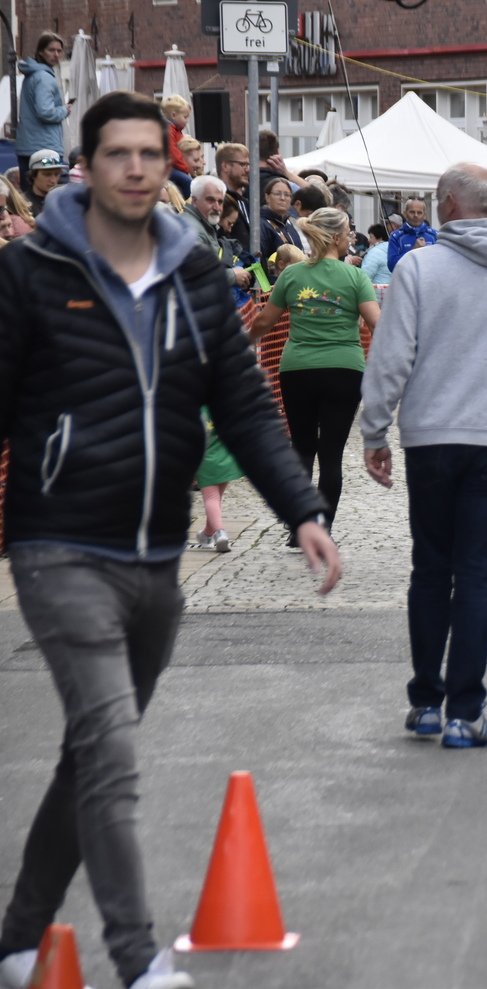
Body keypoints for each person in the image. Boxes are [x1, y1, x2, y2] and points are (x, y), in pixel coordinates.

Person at [0, 89, 338, 989]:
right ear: (88, 165)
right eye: (119, 154)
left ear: (167, 163)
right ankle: (138, 959)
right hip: (59, 544)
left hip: (158, 552)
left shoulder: (193, 274)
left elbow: (243, 407)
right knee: (111, 751)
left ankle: (19, 936)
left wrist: (303, 510)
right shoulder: (33, 274)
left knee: (90, 752)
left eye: (152, 153)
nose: (139, 168)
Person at [361, 162, 487, 747]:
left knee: (431, 568)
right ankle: (465, 711)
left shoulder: (419, 267)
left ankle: (426, 700)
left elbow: (391, 356)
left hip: (431, 436)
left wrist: (376, 431)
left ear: (448, 205)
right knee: (477, 574)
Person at [251, 207, 380, 537]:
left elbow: (264, 322)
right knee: (332, 453)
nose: (352, 237)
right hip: (345, 370)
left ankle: (299, 526)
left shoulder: (292, 275)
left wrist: (240, 344)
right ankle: (321, 529)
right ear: (336, 237)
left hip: (298, 370)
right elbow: (377, 324)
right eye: (349, 231)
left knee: (302, 447)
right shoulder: (355, 277)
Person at [181, 175, 253, 292]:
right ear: (194, 201)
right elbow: (194, 276)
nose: (217, 207)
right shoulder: (192, 230)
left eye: (220, 202)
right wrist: (232, 275)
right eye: (210, 200)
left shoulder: (202, 226)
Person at [16, 33, 68, 193]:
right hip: (45, 148)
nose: (56, 55)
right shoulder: (44, 78)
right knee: (53, 194)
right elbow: (45, 111)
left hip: (27, 147)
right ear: (40, 52)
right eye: (51, 50)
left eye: (59, 51)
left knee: (28, 199)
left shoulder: (31, 75)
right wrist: (64, 110)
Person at [195, 407, 245, 552]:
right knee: (217, 499)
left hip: (205, 459)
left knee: (211, 498)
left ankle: (220, 532)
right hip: (225, 456)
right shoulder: (221, 403)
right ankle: (206, 535)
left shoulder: (194, 405)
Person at [213, 142, 253, 247]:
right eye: (243, 164)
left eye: (248, 165)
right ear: (225, 166)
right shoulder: (216, 201)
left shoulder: (245, 201)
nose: (248, 170)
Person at [258, 175, 304, 262]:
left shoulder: (289, 224)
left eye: (287, 195)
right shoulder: (261, 225)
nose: (283, 198)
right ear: (267, 197)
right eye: (277, 194)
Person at [387, 196, 436, 272]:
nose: (416, 215)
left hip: (429, 281)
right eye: (412, 212)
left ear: (424, 216)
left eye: (419, 212)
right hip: (405, 282)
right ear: (405, 214)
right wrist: (412, 250)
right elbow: (392, 266)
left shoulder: (434, 235)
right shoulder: (396, 236)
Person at [160, 95, 193, 196]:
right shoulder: (169, 130)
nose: (187, 121)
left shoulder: (175, 130)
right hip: (167, 167)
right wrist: (186, 168)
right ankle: (187, 203)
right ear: (173, 115)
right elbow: (173, 153)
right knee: (187, 181)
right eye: (185, 117)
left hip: (171, 166)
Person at [24, 150, 65, 218]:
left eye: (56, 174)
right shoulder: (23, 203)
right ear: (33, 175)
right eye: (47, 174)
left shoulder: (64, 200)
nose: (53, 180)